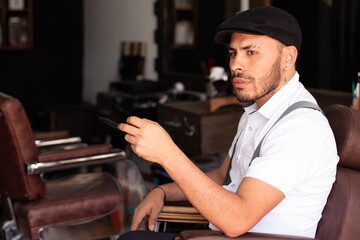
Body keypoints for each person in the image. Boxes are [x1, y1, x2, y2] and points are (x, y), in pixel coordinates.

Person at [117, 6, 339, 240]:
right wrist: (163, 191)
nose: (235, 65)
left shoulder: (299, 127)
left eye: (250, 52)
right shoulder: (257, 111)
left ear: (288, 58)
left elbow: (237, 220)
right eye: (233, 53)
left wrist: (168, 155)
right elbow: (222, 176)